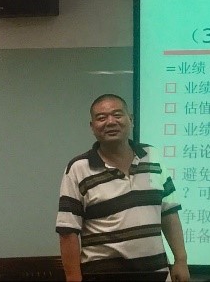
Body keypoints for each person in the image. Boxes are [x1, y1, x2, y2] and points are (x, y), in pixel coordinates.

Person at [56, 94, 190, 282]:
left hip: (156, 274)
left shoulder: (152, 156)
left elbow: (169, 213)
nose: (110, 122)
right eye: (101, 118)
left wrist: (181, 260)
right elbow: (67, 232)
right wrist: (73, 278)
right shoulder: (78, 168)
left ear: (131, 120)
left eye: (117, 115)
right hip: (102, 276)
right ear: (92, 127)